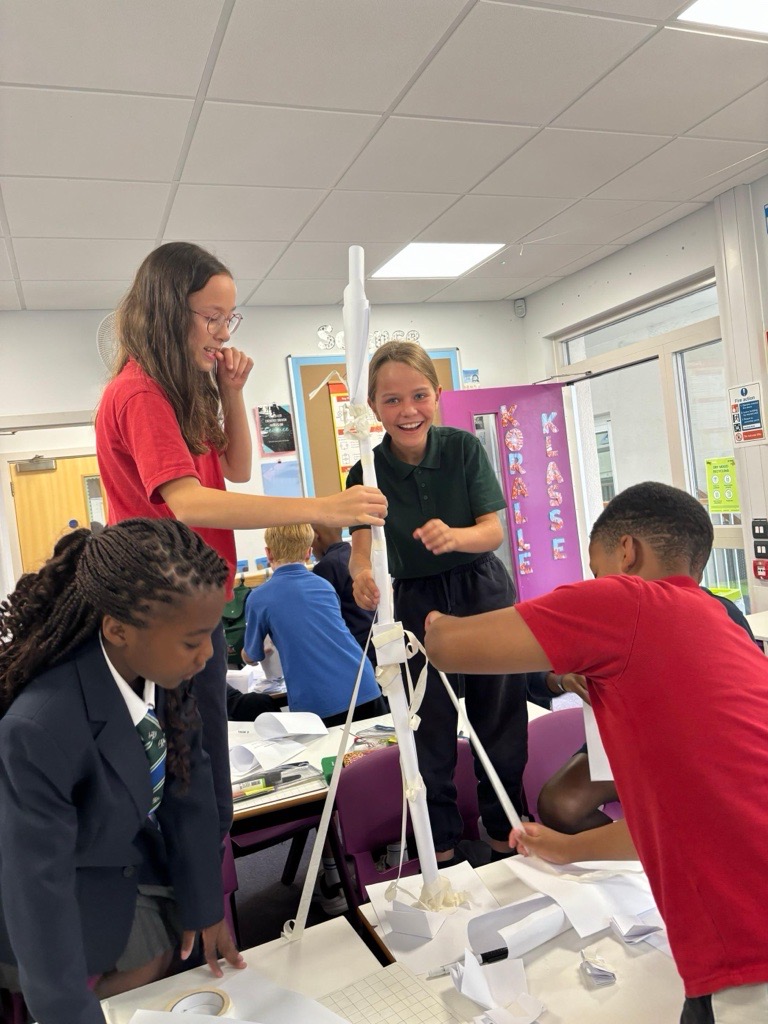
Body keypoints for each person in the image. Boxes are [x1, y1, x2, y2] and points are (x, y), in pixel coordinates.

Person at [425, 481, 768, 1022]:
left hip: (748, 948)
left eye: (596, 567)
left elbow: (446, 647)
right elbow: (685, 813)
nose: (594, 581)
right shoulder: (719, 623)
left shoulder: (629, 600)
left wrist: (432, 613)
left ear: (626, 551)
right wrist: (569, 849)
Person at [95, 241, 387, 838]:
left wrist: (230, 390)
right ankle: (205, 915)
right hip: (163, 610)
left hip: (191, 602)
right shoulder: (142, 392)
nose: (223, 333)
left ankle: (212, 905)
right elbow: (193, 502)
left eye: (230, 318)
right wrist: (320, 506)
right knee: (191, 780)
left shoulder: (183, 387)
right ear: (166, 310)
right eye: (211, 317)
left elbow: (233, 468)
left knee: (203, 769)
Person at [0, 519, 245, 1024]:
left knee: (187, 945)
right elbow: (36, 892)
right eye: (193, 641)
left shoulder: (163, 667)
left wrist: (206, 904)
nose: (209, 655)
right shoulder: (39, 727)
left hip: (121, 856)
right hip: (46, 890)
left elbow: (189, 783)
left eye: (213, 635)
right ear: (117, 629)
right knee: (145, 966)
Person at [347, 340, 528, 866]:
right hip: (415, 602)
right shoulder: (366, 470)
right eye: (391, 400)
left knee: (501, 722)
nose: (408, 411)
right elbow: (361, 551)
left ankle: (505, 838)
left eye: (419, 396)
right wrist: (361, 576)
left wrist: (454, 536)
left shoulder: (464, 449)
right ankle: (442, 851)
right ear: (373, 408)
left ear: (437, 395)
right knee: (428, 732)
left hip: (481, 588)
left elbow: (493, 531)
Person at [536, 594, 757, 837]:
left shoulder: (717, 612)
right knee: (560, 804)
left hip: (703, 742)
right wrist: (561, 680)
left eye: (598, 569)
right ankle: (634, 858)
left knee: (705, 803)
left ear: (627, 556)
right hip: (626, 737)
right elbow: (533, 678)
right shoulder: (603, 617)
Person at [242, 524, 386, 725]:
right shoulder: (323, 585)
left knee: (330, 757)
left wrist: (247, 653)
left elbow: (253, 655)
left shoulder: (258, 598)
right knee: (377, 753)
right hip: (364, 685)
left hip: (318, 701)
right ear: (308, 552)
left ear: (268, 553)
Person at [311, 525, 376, 663]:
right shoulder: (355, 557)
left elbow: (323, 621)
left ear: (316, 535)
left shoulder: (325, 568)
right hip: (375, 641)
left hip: (356, 651)